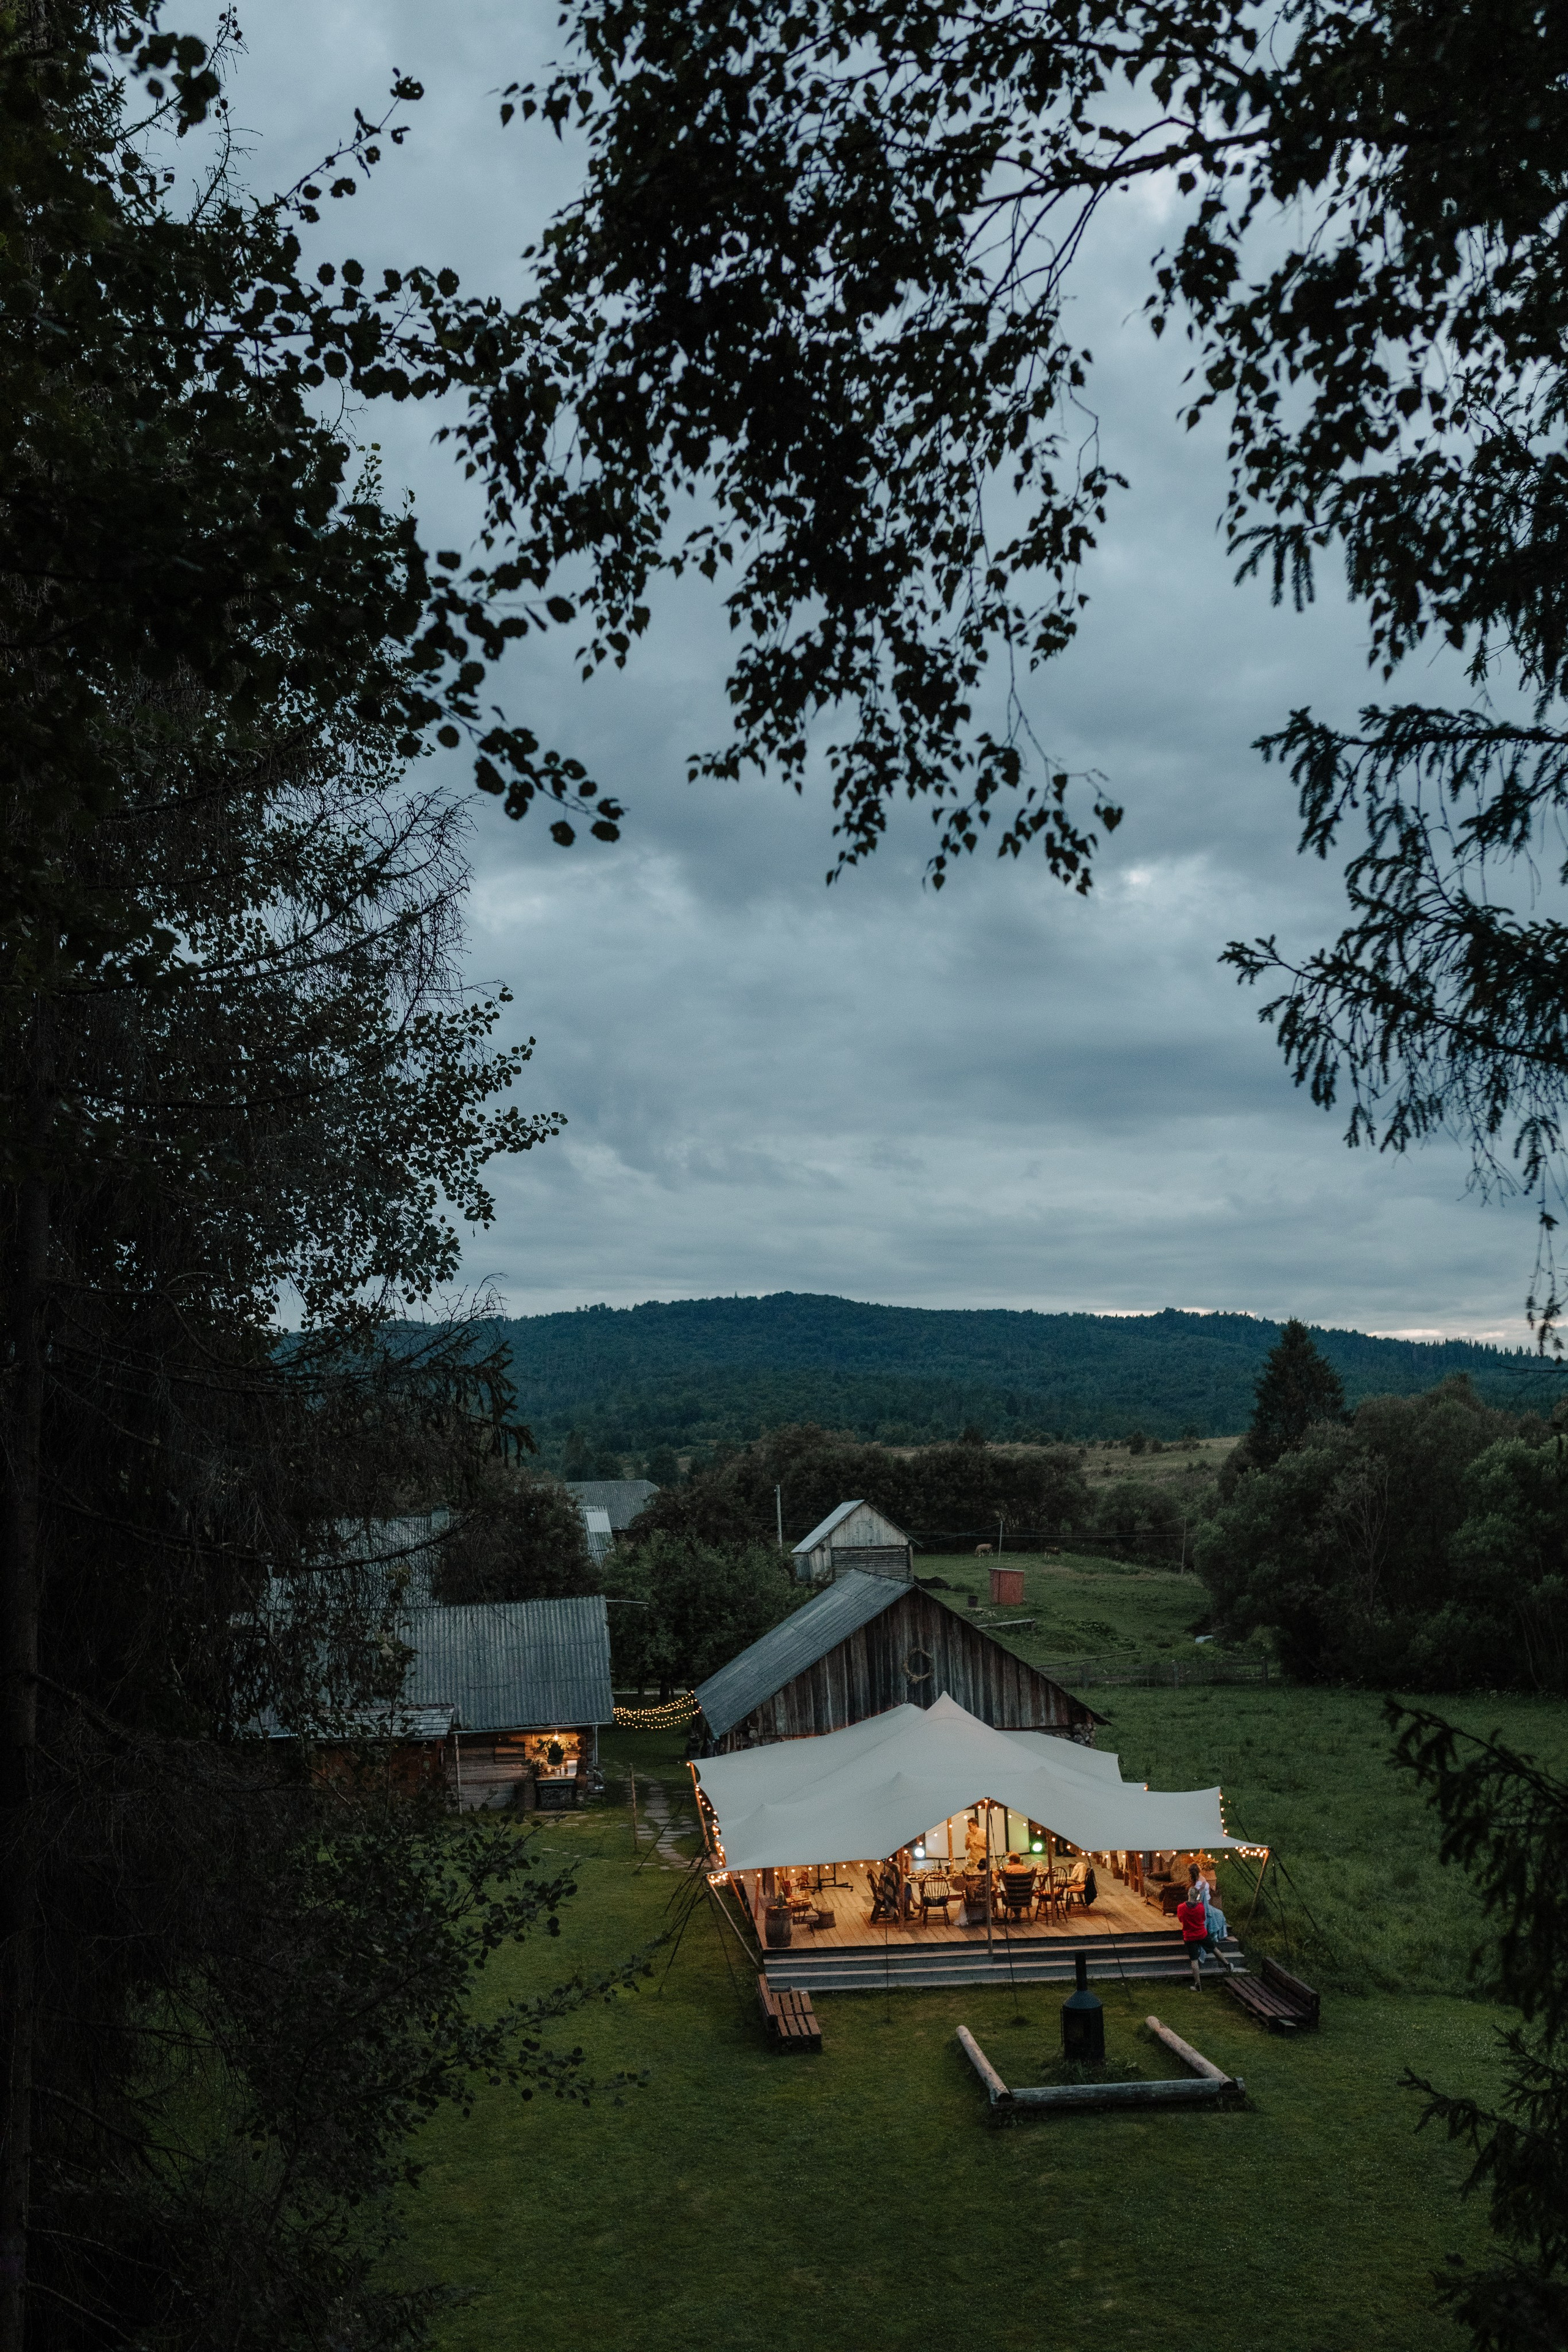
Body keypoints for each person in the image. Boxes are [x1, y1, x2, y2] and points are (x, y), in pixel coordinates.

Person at [1176, 1890, 1211, 1989]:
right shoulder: (1200, 1907)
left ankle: (1198, 1984)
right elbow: (1203, 1919)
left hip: (1189, 1936)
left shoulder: (1181, 1907)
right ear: (1197, 1897)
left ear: (1188, 1895)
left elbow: (1180, 1919)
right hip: (1201, 1934)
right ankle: (1227, 1965)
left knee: (1194, 1960)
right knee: (1213, 1948)